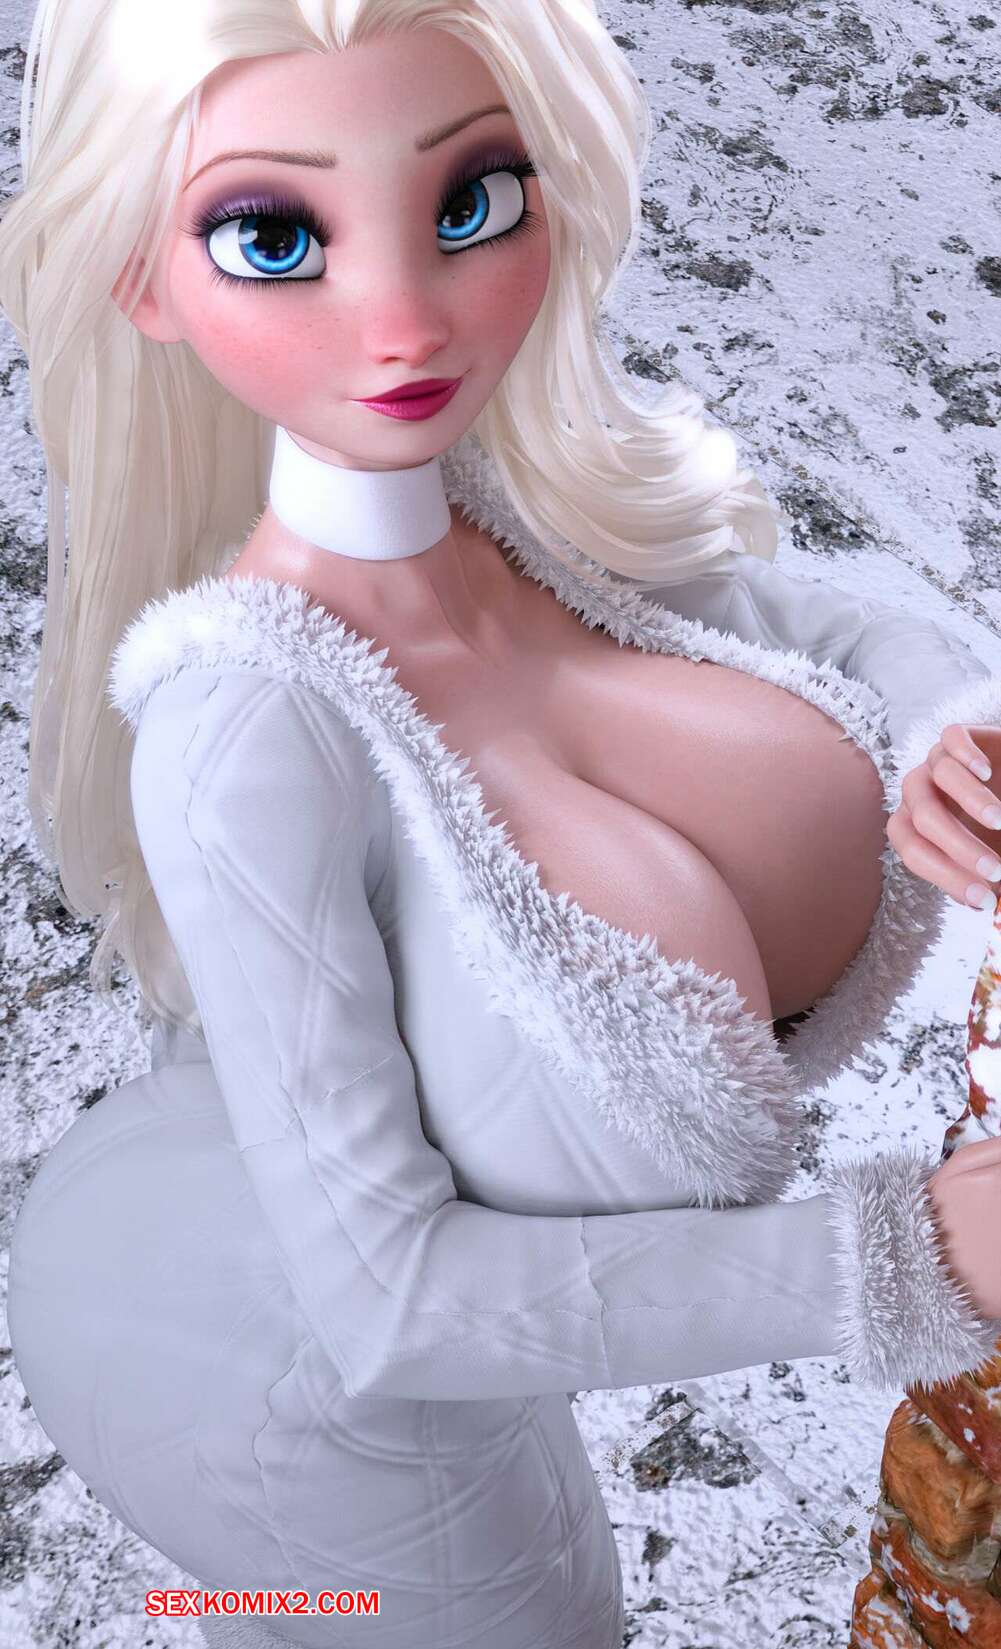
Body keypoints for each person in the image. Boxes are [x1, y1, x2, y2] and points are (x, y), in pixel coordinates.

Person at [2, 4, 1001, 1646]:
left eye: (469, 202)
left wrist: (947, 718)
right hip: (253, 1361)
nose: (403, 319)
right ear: (141, 280)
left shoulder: (524, 528)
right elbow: (391, 1304)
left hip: (258, 1215)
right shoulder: (243, 731)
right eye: (273, 237)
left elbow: (820, 630)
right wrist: (895, 1257)